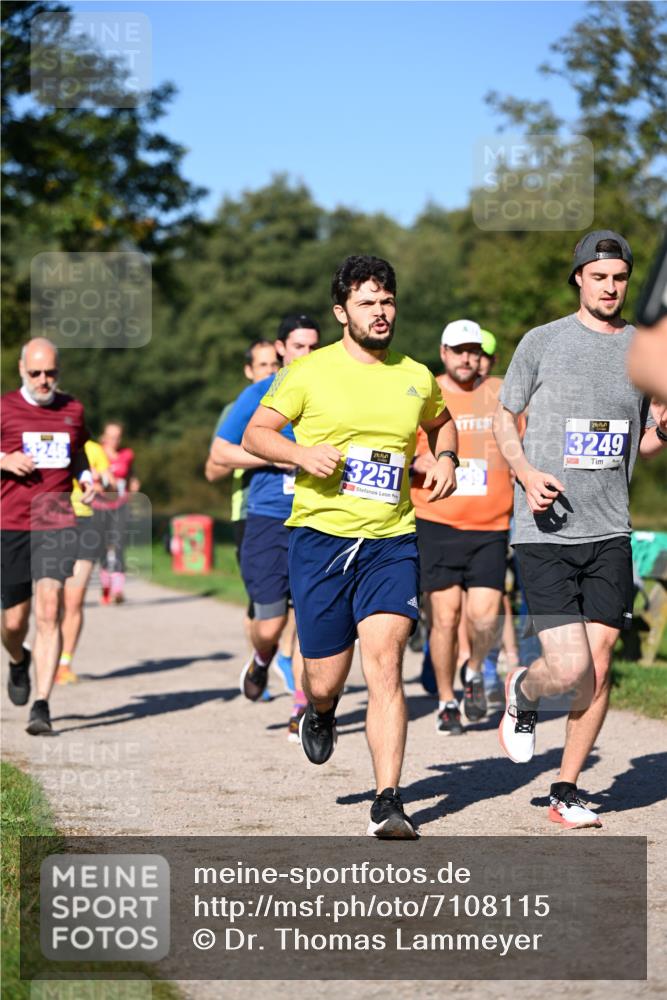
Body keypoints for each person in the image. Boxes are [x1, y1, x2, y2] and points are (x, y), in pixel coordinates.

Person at [243, 255, 458, 839]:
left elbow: (442, 423)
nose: (380, 311)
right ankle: (320, 710)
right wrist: (299, 454)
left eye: (387, 300)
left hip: (391, 539)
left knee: (385, 663)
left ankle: (389, 800)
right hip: (319, 538)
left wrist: (446, 458)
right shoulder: (309, 373)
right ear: (343, 312)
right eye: (367, 302)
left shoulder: (415, 375)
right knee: (325, 676)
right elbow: (255, 434)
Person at [493, 229, 667, 829]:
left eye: (620, 278)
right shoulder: (543, 342)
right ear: (579, 280)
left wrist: (665, 431)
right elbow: (503, 417)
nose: (611, 287)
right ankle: (525, 690)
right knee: (567, 670)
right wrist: (523, 470)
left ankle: (566, 788)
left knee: (599, 663)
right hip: (545, 527)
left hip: (610, 529)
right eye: (599, 277)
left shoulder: (645, 352)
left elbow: (638, 445)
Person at [208, 317, 320, 738]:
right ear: (281, 349)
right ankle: (261, 659)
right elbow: (220, 453)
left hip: (318, 517)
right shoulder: (259, 394)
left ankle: (303, 708)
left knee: (311, 618)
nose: (306, 355)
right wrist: (276, 455)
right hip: (268, 518)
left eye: (314, 347)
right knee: (271, 624)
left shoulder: (332, 390)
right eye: (298, 347)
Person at [411, 320, 516, 735]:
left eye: (474, 350)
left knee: (485, 614)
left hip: (491, 524)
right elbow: (399, 449)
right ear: (444, 353)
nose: (467, 358)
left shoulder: (503, 392)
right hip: (437, 521)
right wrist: (417, 463)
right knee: (447, 618)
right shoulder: (425, 392)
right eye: (459, 350)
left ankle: (473, 671)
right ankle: (445, 699)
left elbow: (524, 445)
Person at [1, 338, 94, 734]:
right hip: (12, 522)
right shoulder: (4, 408)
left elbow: (78, 453)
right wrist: (4, 460)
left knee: (50, 608)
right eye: (36, 373)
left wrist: (87, 477)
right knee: (13, 621)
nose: (43, 380)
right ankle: (18, 660)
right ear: (22, 369)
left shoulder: (72, 409)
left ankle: (41, 704)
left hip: (56, 518)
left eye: (50, 373)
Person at [206, 339, 296, 702]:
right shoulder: (239, 406)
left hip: (293, 510)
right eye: (262, 366)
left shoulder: (294, 400)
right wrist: (269, 454)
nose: (270, 372)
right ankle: (262, 654)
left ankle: (285, 661)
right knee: (260, 604)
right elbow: (214, 467)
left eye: (274, 364)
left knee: (294, 604)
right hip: (249, 511)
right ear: (249, 371)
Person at [55, 438, 116, 684]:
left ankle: (64, 663)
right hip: (51, 521)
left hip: (86, 523)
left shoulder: (93, 449)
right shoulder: (46, 440)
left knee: (74, 599)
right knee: (51, 601)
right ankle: (46, 652)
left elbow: (109, 483)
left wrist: (104, 484)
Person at [98, 422, 140, 604]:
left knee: (119, 544)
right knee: (103, 547)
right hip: (99, 506)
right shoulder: (95, 452)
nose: (114, 440)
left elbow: (131, 475)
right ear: (104, 436)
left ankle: (117, 590)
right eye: (111, 436)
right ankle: (106, 588)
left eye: (118, 437)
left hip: (121, 505)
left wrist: (134, 485)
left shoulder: (127, 454)